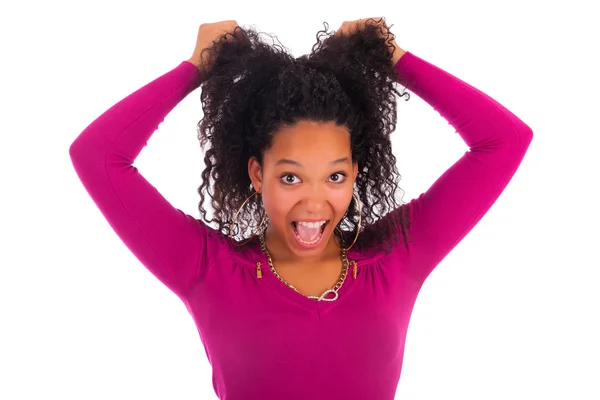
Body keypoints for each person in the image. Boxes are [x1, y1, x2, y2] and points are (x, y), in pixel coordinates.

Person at [69, 17, 533, 400]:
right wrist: (197, 68)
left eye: (335, 176)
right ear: (257, 173)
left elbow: (504, 141)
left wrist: (388, 55)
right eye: (290, 177)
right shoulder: (208, 269)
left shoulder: (396, 259)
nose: (314, 202)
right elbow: (98, 156)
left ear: (356, 173)